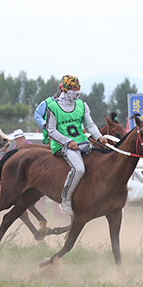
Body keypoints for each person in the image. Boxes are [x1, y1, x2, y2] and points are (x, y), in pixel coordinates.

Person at [46, 75, 107, 215]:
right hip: (63, 145)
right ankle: (66, 199)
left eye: (78, 88)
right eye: (74, 88)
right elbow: (51, 130)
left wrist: (99, 137)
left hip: (82, 142)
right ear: (65, 90)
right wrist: (68, 142)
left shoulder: (82, 105)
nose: (77, 91)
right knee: (79, 169)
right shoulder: (53, 107)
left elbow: (90, 124)